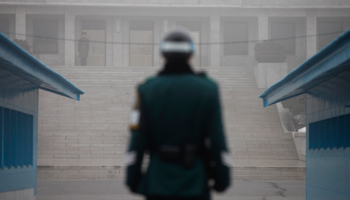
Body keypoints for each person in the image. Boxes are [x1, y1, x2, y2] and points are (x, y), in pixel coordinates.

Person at [125, 28, 231, 200]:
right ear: (191, 54)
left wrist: (132, 179)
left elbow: (137, 139)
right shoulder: (208, 89)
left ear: (163, 54)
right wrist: (222, 178)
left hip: (158, 181)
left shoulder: (146, 89)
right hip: (195, 181)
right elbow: (218, 139)